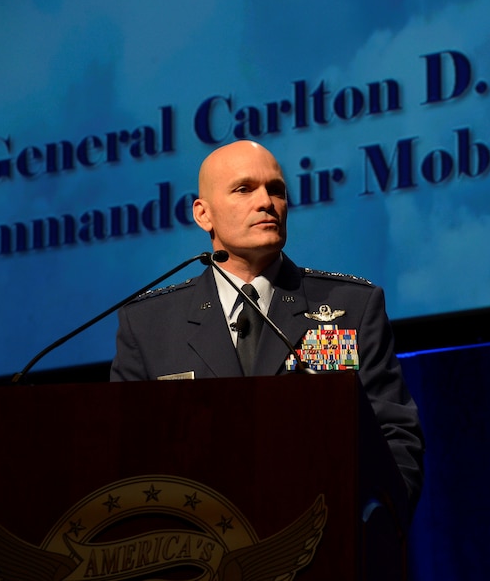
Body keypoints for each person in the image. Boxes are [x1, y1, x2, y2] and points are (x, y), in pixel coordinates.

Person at [110, 140, 424, 510]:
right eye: (244, 189)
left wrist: (374, 530)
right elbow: (125, 455)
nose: (266, 202)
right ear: (202, 215)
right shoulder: (149, 324)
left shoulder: (350, 305)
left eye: (275, 190)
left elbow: (394, 438)